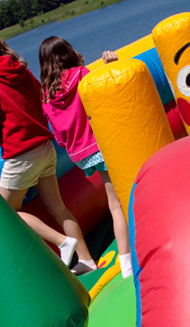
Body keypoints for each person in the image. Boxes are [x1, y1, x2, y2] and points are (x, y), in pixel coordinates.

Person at [0, 31, 97, 275]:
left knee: (5, 212)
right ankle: (87, 260)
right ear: (1, 47)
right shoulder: (23, 71)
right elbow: (39, 100)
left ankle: (63, 242)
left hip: (21, 155)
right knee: (58, 207)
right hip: (45, 149)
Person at [39, 36, 132, 278]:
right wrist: (111, 67)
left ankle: (123, 256)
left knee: (116, 199)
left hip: (81, 154)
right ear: (68, 52)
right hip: (101, 143)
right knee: (117, 202)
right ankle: (126, 260)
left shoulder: (47, 96)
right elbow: (102, 100)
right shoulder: (82, 75)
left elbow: (58, 136)